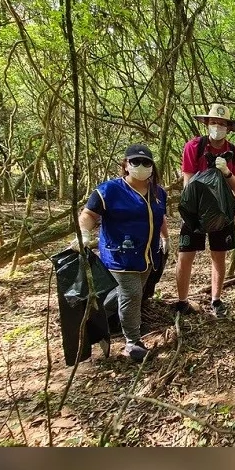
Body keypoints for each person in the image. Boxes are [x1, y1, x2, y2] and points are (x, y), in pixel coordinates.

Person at [75, 143, 168, 362]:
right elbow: (88, 214)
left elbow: (160, 216)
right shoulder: (109, 190)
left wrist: (165, 237)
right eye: (135, 162)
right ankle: (132, 342)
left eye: (146, 162)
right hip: (120, 255)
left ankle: (104, 321)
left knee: (132, 293)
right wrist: (84, 234)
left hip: (147, 255)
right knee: (131, 292)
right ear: (125, 164)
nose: (141, 166)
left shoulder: (158, 192)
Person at [176, 103, 235, 319]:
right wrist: (192, 212)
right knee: (185, 254)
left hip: (222, 211)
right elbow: (188, 182)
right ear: (207, 123)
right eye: (214, 122)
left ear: (229, 128)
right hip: (195, 209)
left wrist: (226, 172)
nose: (217, 126)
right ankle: (181, 302)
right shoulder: (194, 147)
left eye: (222, 124)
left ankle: (216, 299)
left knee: (218, 255)